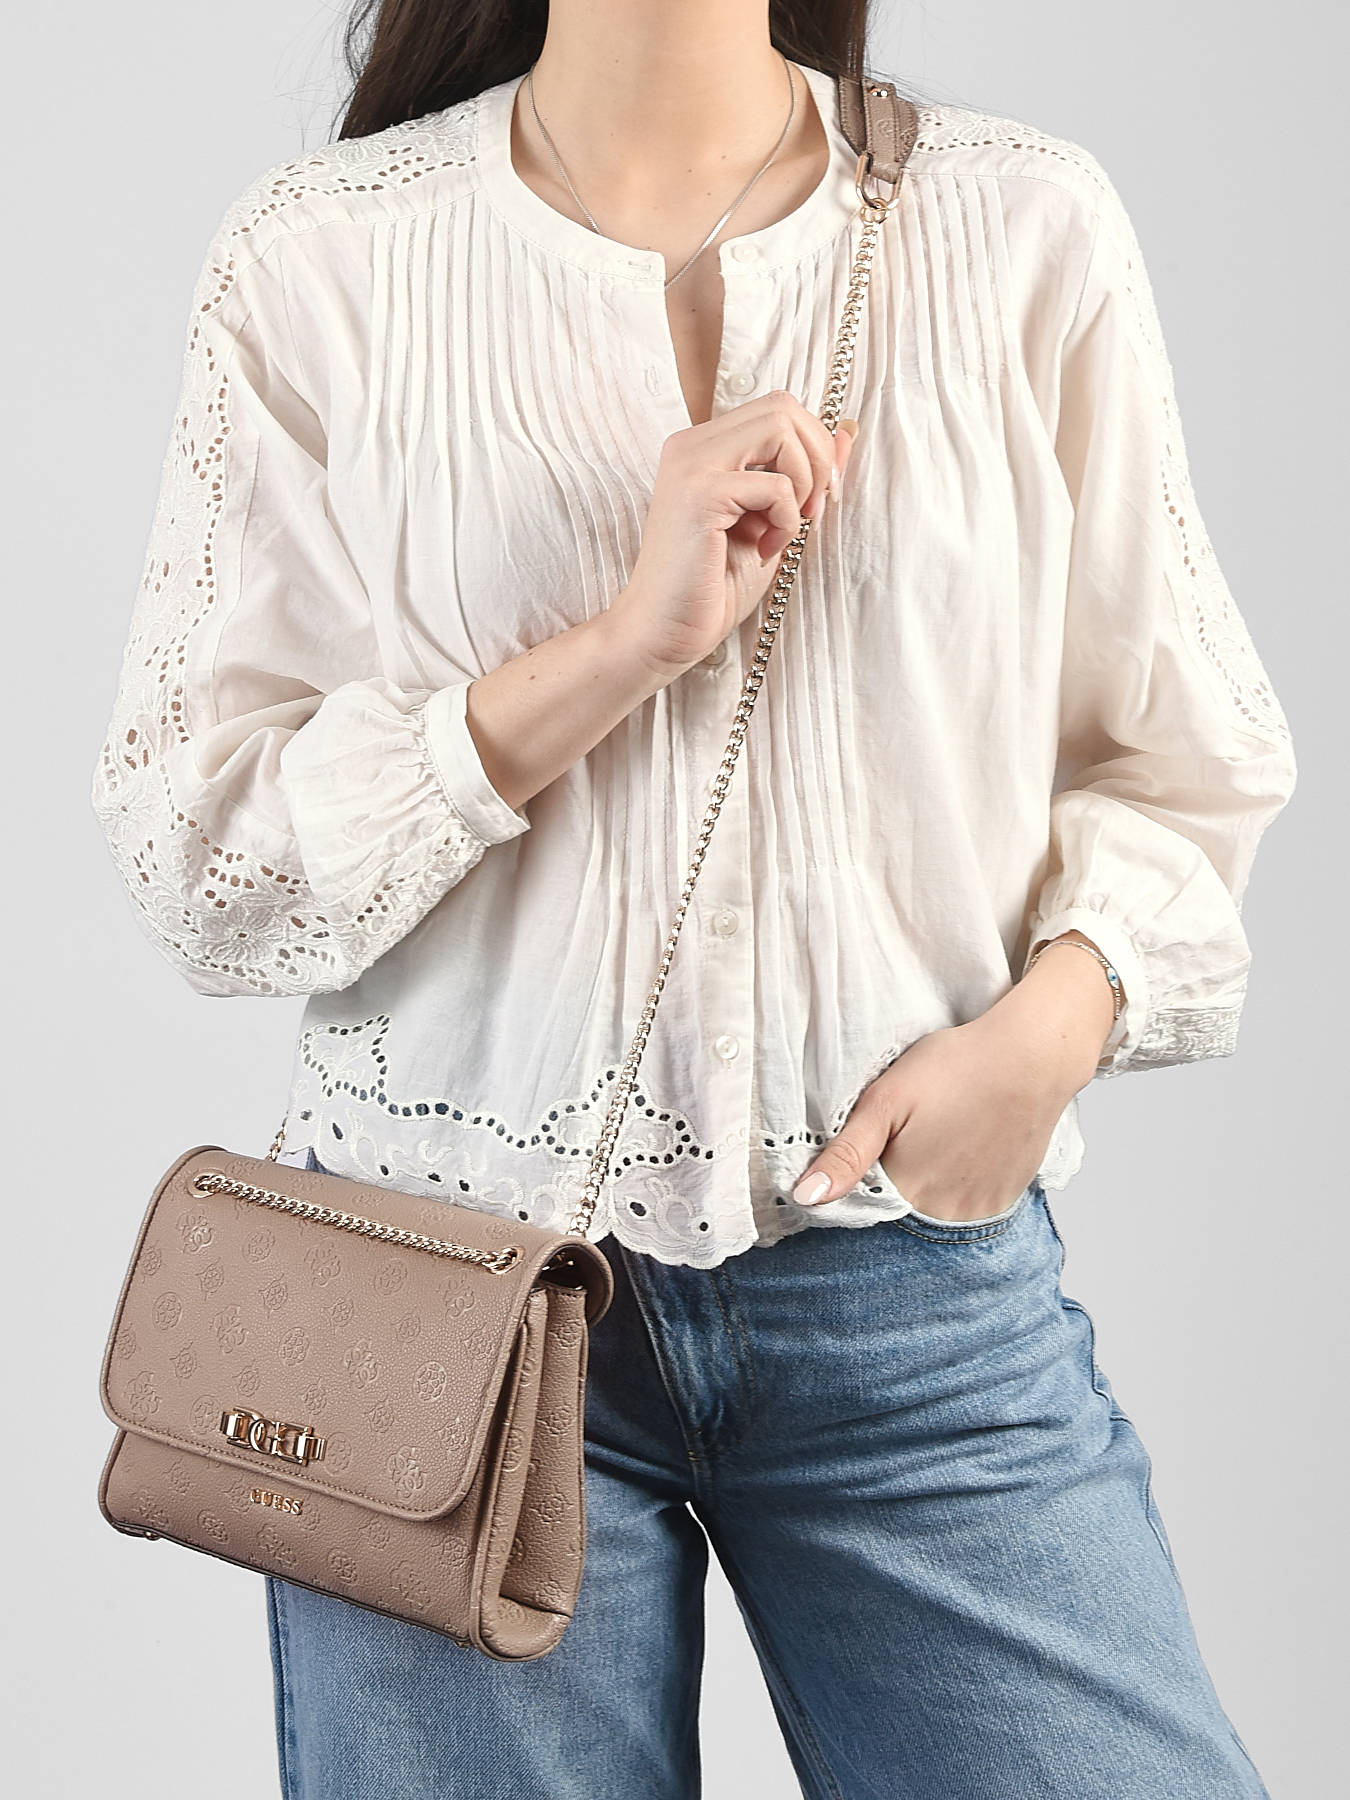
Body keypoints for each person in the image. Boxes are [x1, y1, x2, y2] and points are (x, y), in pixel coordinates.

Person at [90, 4, 1296, 1795]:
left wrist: (1051, 1030)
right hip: (439, 1304)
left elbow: (1186, 756)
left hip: (907, 1297)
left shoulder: (1020, 223)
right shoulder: (320, 254)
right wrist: (614, 650)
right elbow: (202, 860)